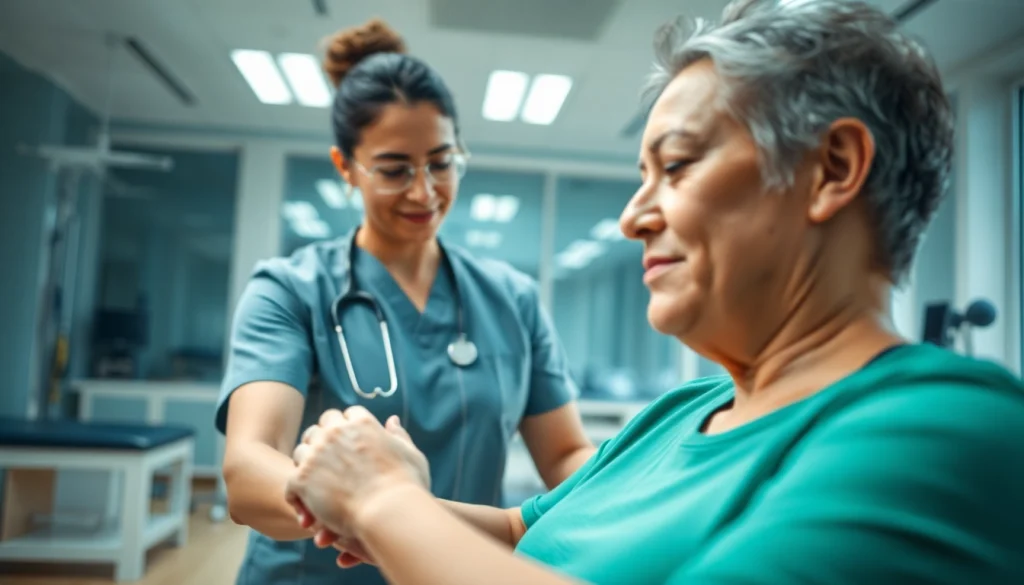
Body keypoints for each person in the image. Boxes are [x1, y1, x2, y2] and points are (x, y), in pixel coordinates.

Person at [282, 0, 1024, 584]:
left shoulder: (951, 428)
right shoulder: (680, 414)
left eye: (675, 167)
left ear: (831, 168)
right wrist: (381, 497)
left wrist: (387, 503)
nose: (632, 216)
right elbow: (520, 532)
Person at [215, 17, 595, 585]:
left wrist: (634, 495)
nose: (424, 191)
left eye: (442, 163)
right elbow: (248, 470)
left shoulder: (512, 299)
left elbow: (565, 455)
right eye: (395, 170)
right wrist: (370, 506)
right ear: (346, 168)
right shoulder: (291, 290)